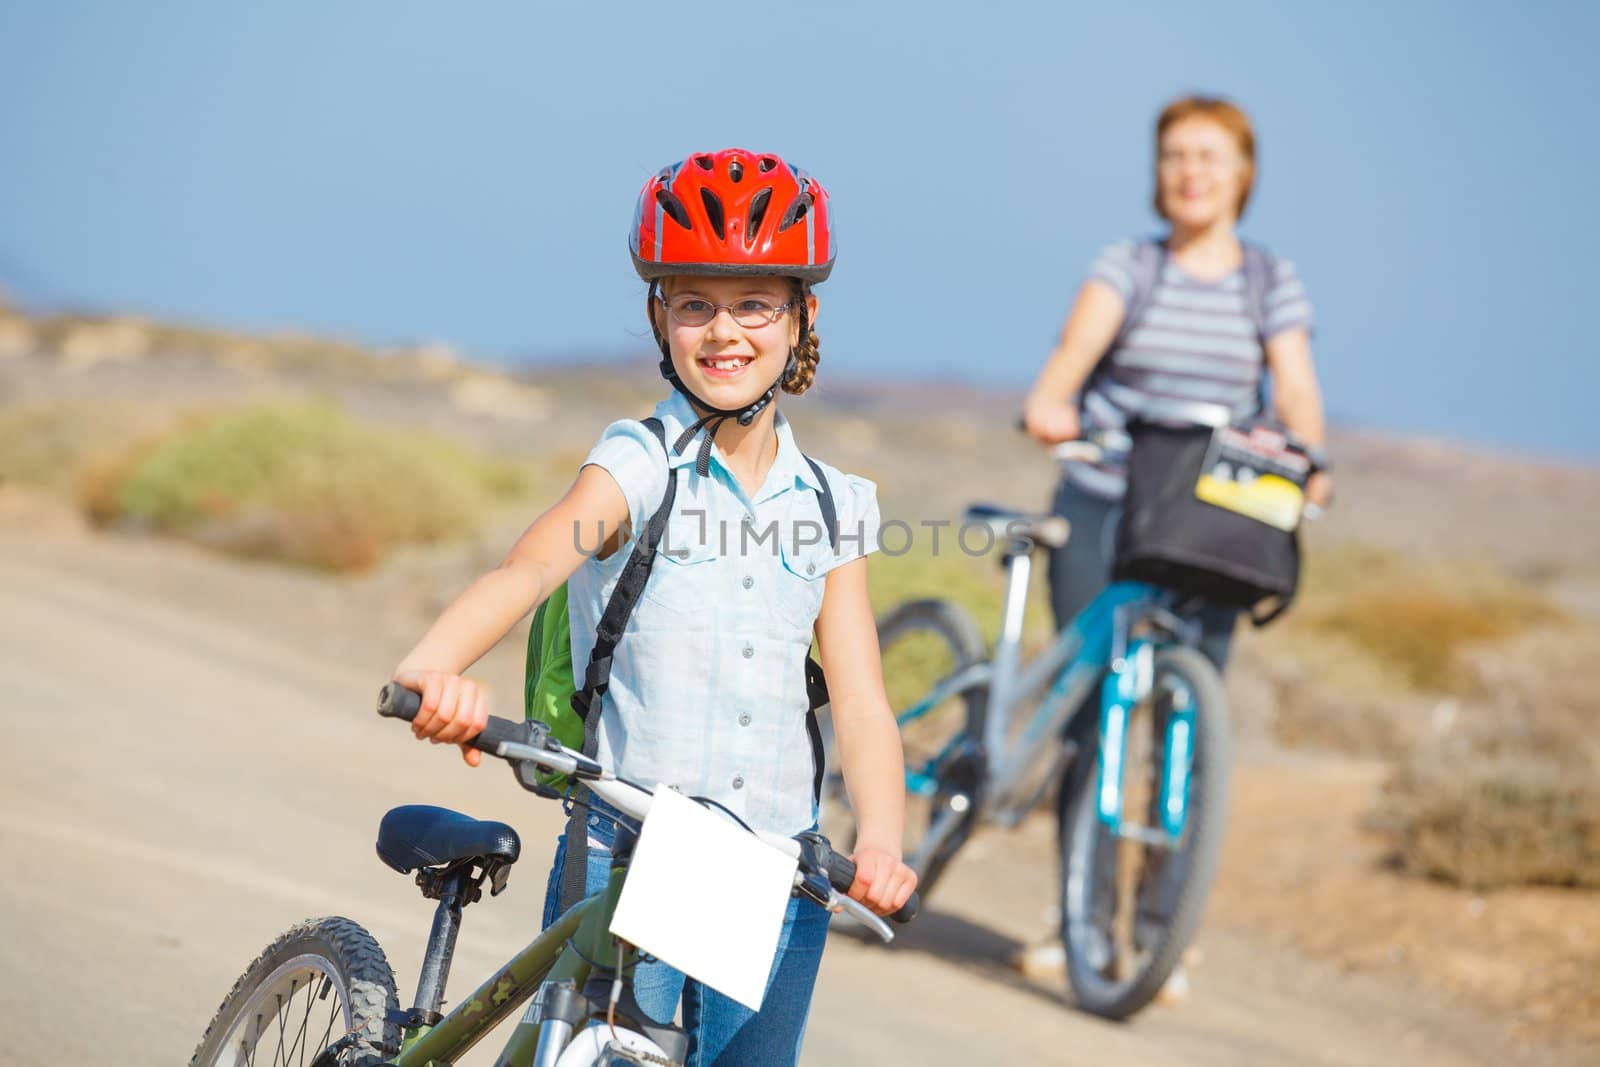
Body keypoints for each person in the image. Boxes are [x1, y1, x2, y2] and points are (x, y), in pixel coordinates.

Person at [389, 149, 916, 1066]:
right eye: (693, 302)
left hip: (775, 870)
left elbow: (862, 699)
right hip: (633, 842)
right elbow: (527, 568)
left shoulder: (836, 505)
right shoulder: (637, 462)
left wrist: (882, 838)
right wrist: (436, 669)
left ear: (803, 314)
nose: (725, 332)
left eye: (755, 302)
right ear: (658, 314)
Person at [1023, 94, 1332, 666]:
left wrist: (1311, 463)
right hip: (1109, 495)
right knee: (1084, 690)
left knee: (1197, 685)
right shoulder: (1128, 266)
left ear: (1244, 172)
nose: (1191, 172)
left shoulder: (1270, 280)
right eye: (1174, 156)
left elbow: (1296, 389)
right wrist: (1049, 404)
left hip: (1217, 514)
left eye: (1208, 157)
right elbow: (1075, 352)